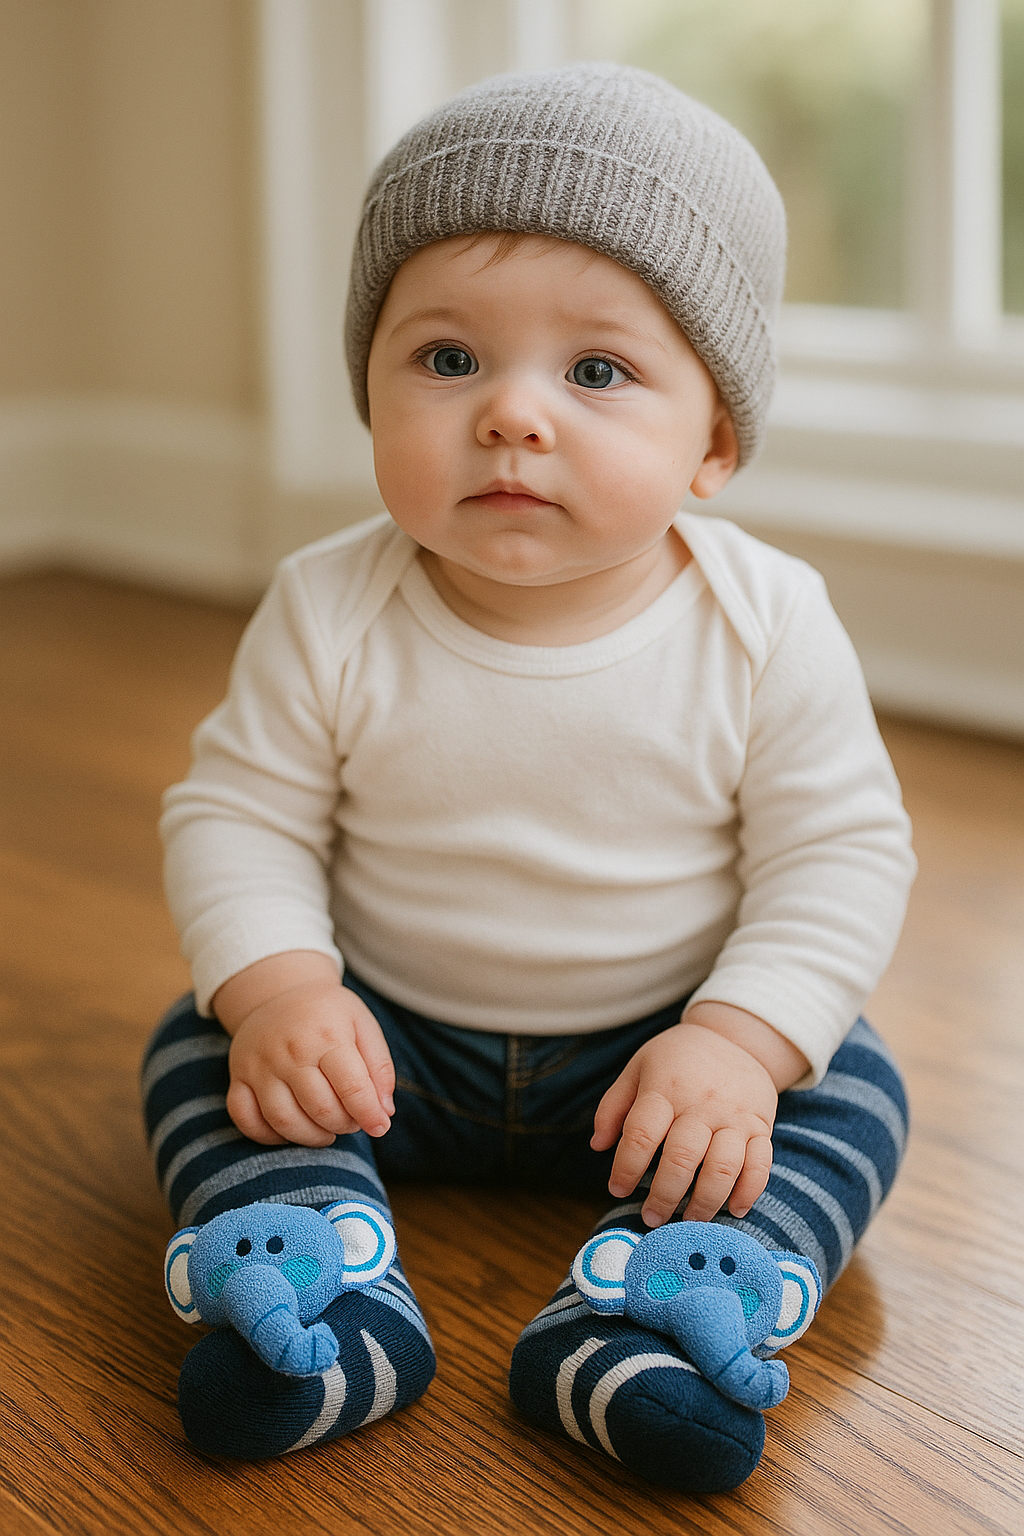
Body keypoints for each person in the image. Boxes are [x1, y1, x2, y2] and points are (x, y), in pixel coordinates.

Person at [143, 62, 914, 1492]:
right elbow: (239, 813)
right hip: (389, 1050)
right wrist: (285, 993)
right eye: (446, 360)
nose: (511, 414)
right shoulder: (330, 605)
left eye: (598, 371)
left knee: (850, 1082)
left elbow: (842, 857)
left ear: (717, 441)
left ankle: (655, 1320)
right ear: (369, 389)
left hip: (660, 1067)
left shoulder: (765, 622)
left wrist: (741, 1044)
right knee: (200, 1042)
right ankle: (320, 1290)